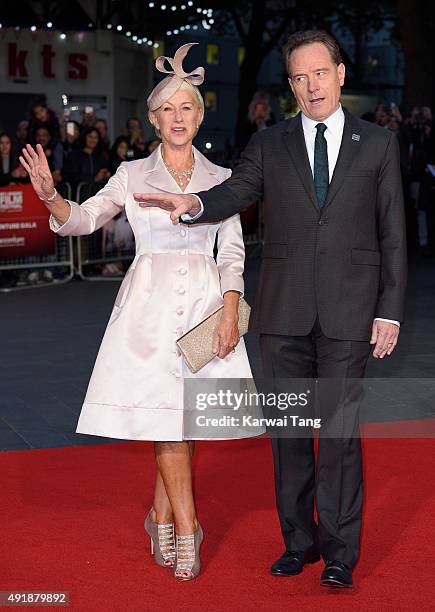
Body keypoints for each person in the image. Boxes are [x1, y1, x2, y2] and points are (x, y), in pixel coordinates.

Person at [134, 30, 407, 589]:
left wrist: (390, 310)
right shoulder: (269, 143)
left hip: (351, 312)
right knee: (289, 434)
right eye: (300, 78)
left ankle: (339, 552)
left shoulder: (377, 144)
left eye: (321, 74)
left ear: (340, 74)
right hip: (283, 314)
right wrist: (194, 204)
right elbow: (236, 194)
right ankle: (298, 542)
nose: (312, 86)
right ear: (290, 86)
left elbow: (393, 234)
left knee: (337, 433)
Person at [19, 42, 263, 582]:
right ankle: (187, 526)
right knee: (168, 424)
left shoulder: (222, 178)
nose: (178, 118)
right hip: (148, 309)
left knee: (186, 421)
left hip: (206, 305)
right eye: (168, 109)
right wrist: (52, 198)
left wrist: (229, 311)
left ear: (200, 116)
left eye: (188, 108)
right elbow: (85, 220)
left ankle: (158, 513)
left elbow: (234, 254)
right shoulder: (130, 175)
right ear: (153, 118)